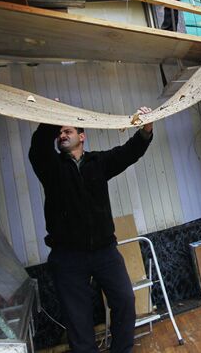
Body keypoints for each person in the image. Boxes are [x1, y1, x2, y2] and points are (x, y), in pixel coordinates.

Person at [28, 108, 155, 353]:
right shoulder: (52, 168)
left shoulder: (98, 163)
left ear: (82, 136)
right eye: (59, 132)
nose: (62, 135)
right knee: (78, 320)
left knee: (125, 300)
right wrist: (49, 120)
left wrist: (147, 129)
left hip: (104, 251)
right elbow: (38, 150)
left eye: (67, 131)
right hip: (67, 257)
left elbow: (129, 152)